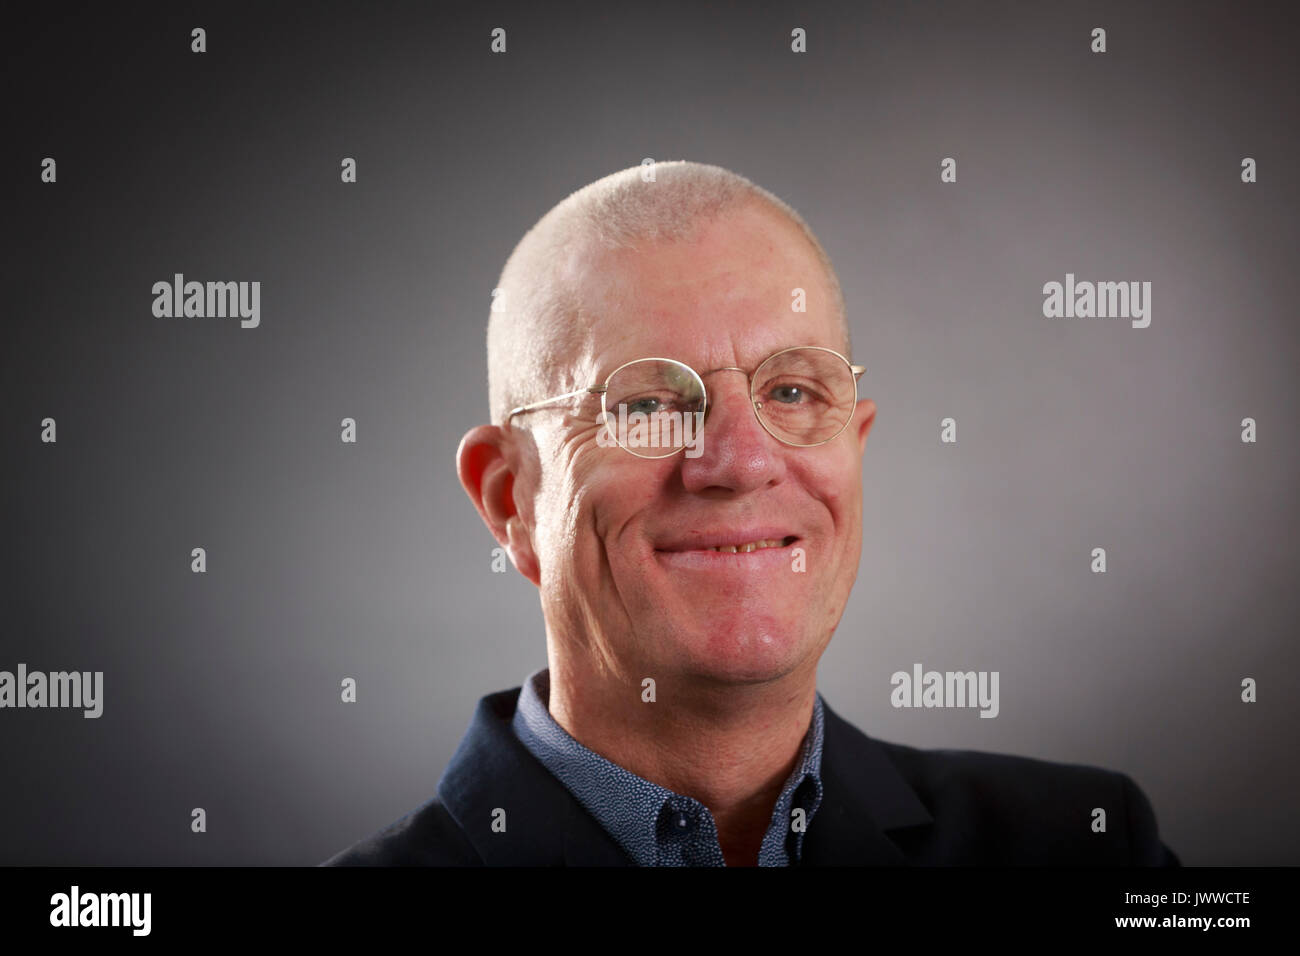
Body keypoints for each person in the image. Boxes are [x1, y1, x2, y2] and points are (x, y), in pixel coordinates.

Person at [324, 161, 1179, 866]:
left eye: (793, 390)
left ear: (855, 445)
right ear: (511, 498)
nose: (740, 462)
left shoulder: (1086, 845)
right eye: (649, 403)